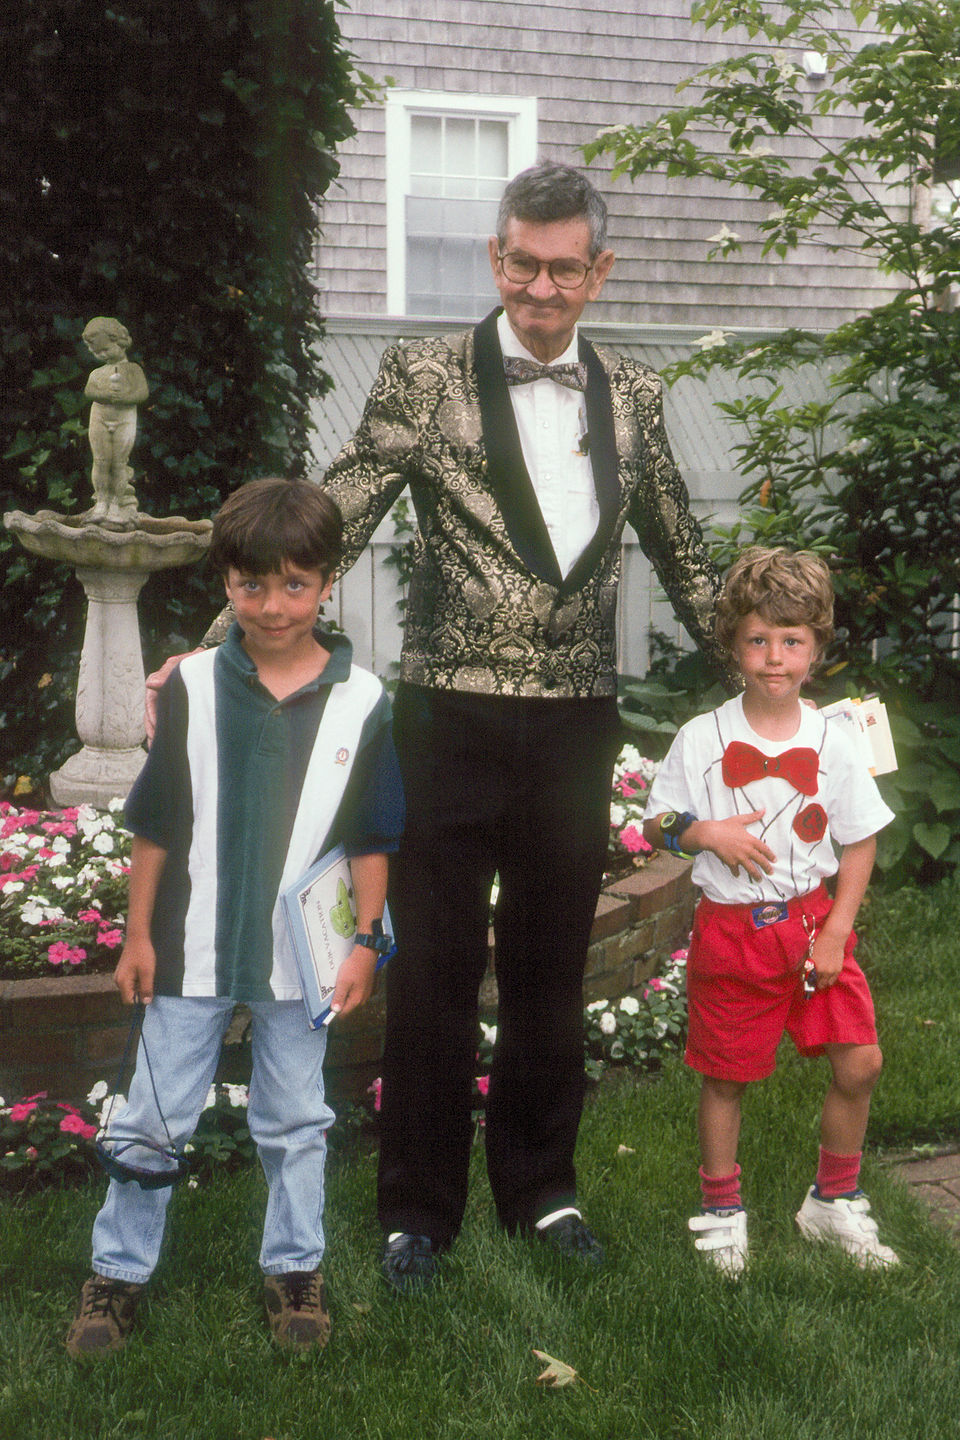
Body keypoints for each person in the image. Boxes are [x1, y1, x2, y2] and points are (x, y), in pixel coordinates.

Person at [151, 161, 731, 1291]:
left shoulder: (640, 395)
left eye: (567, 268)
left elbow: (682, 549)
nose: (543, 287)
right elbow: (340, 513)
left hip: (573, 724)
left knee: (552, 970)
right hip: (446, 721)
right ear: (497, 258)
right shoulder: (421, 374)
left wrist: (775, 686)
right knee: (432, 970)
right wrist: (221, 637)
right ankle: (416, 1210)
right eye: (524, 262)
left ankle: (543, 1191)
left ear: (598, 271)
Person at [66, 478, 404, 1359]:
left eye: (296, 584)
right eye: (252, 585)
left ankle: (295, 1267)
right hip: (190, 951)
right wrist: (139, 935)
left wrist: (365, 941)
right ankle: (118, 1275)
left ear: (327, 582)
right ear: (225, 582)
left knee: (296, 1118)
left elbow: (372, 832)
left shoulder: (361, 700)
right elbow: (158, 820)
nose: (273, 605)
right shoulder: (191, 688)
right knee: (151, 1115)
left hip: (304, 965)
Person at [642, 546, 898, 1276]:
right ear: (734, 645)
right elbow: (653, 823)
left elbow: (861, 839)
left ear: (817, 650)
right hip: (735, 934)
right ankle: (723, 1211)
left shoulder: (836, 741)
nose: (775, 658)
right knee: (727, 1076)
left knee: (862, 1059)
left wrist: (838, 932)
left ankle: (832, 1200)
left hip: (817, 928)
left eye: (792, 641)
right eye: (758, 640)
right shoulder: (703, 738)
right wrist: (702, 832)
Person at [82, 316, 149, 525]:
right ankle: (101, 501)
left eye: (105, 350)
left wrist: (124, 398)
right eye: (96, 352)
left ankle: (116, 504)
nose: (101, 355)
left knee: (119, 463)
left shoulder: (133, 370)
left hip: (124, 420)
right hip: (100, 417)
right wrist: (107, 395)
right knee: (101, 462)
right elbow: (89, 391)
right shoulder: (97, 373)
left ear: (119, 342)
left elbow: (142, 393)